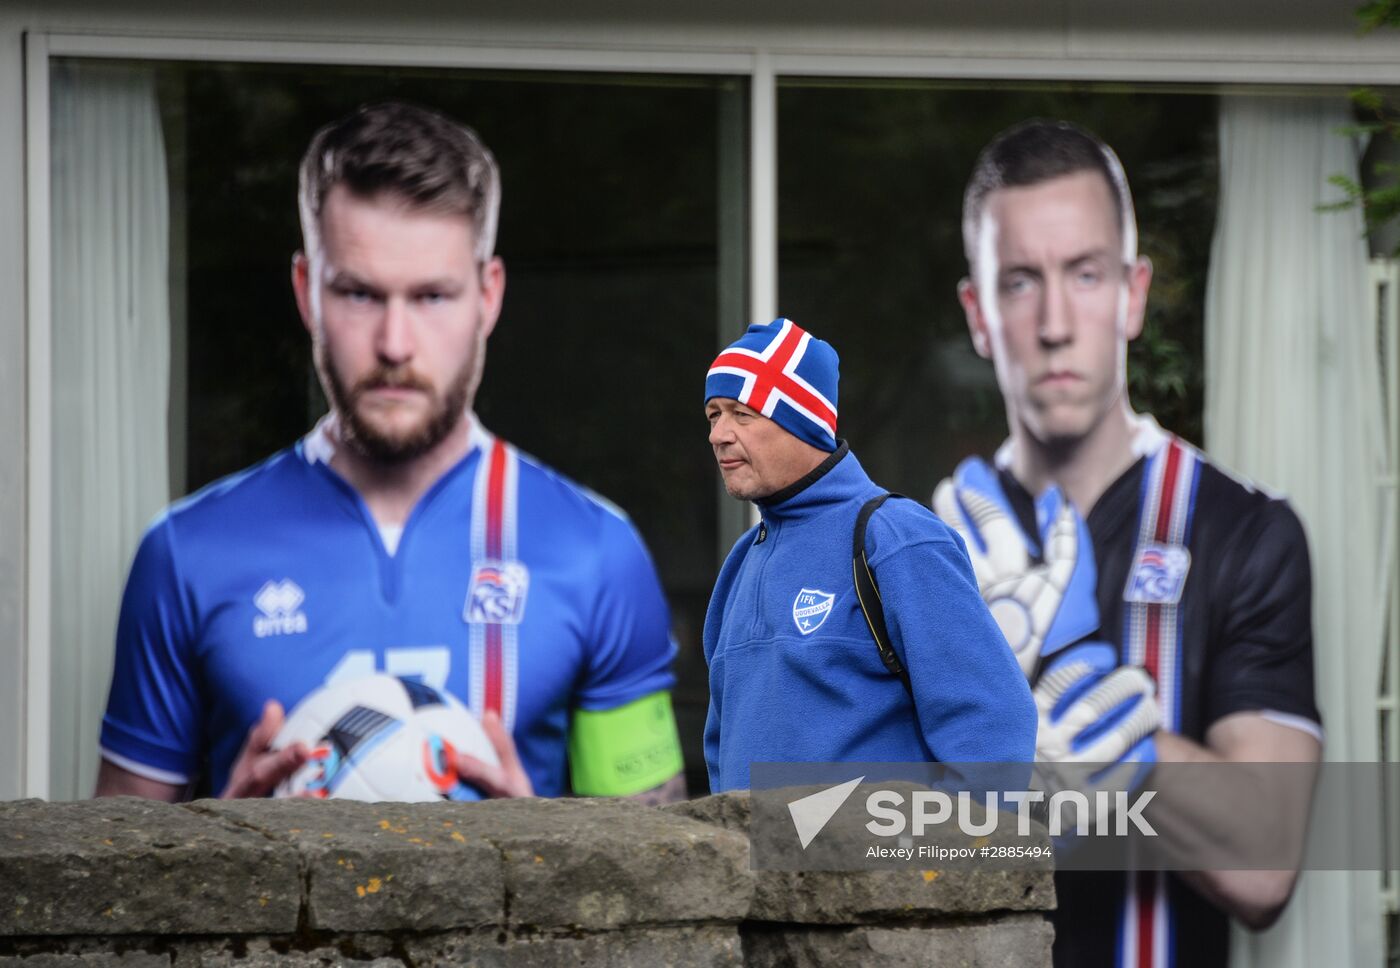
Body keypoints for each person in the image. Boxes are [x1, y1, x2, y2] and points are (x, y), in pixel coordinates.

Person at [95, 101, 685, 805]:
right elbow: (114, 881)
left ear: (487, 297)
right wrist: (216, 843)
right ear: (308, 294)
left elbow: (659, 867)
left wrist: (544, 855)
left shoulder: (595, 553)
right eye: (360, 294)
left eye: (433, 296)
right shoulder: (186, 554)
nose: (395, 344)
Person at [934, 119, 1322, 967]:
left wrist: (1096, 706)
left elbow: (1266, 866)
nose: (1057, 323)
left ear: (1133, 293)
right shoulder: (927, 549)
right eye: (1022, 281)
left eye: (1086, 273)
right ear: (980, 312)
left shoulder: (1245, 531)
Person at [701, 317, 1036, 792]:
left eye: (741, 414)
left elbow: (993, 728)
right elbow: (720, 750)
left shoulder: (896, 539)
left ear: (804, 421)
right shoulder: (739, 564)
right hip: (755, 864)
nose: (719, 434)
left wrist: (948, 859)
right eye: (714, 414)